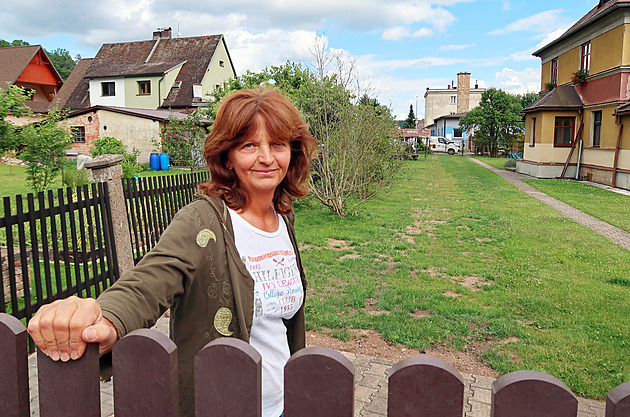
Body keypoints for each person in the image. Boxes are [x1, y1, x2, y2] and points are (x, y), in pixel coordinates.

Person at [27, 88, 318, 417]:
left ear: (292, 152)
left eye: (277, 144)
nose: (266, 157)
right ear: (227, 156)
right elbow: (149, 281)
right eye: (250, 145)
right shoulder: (202, 222)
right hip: (221, 405)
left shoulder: (283, 217)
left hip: (282, 403)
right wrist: (103, 317)